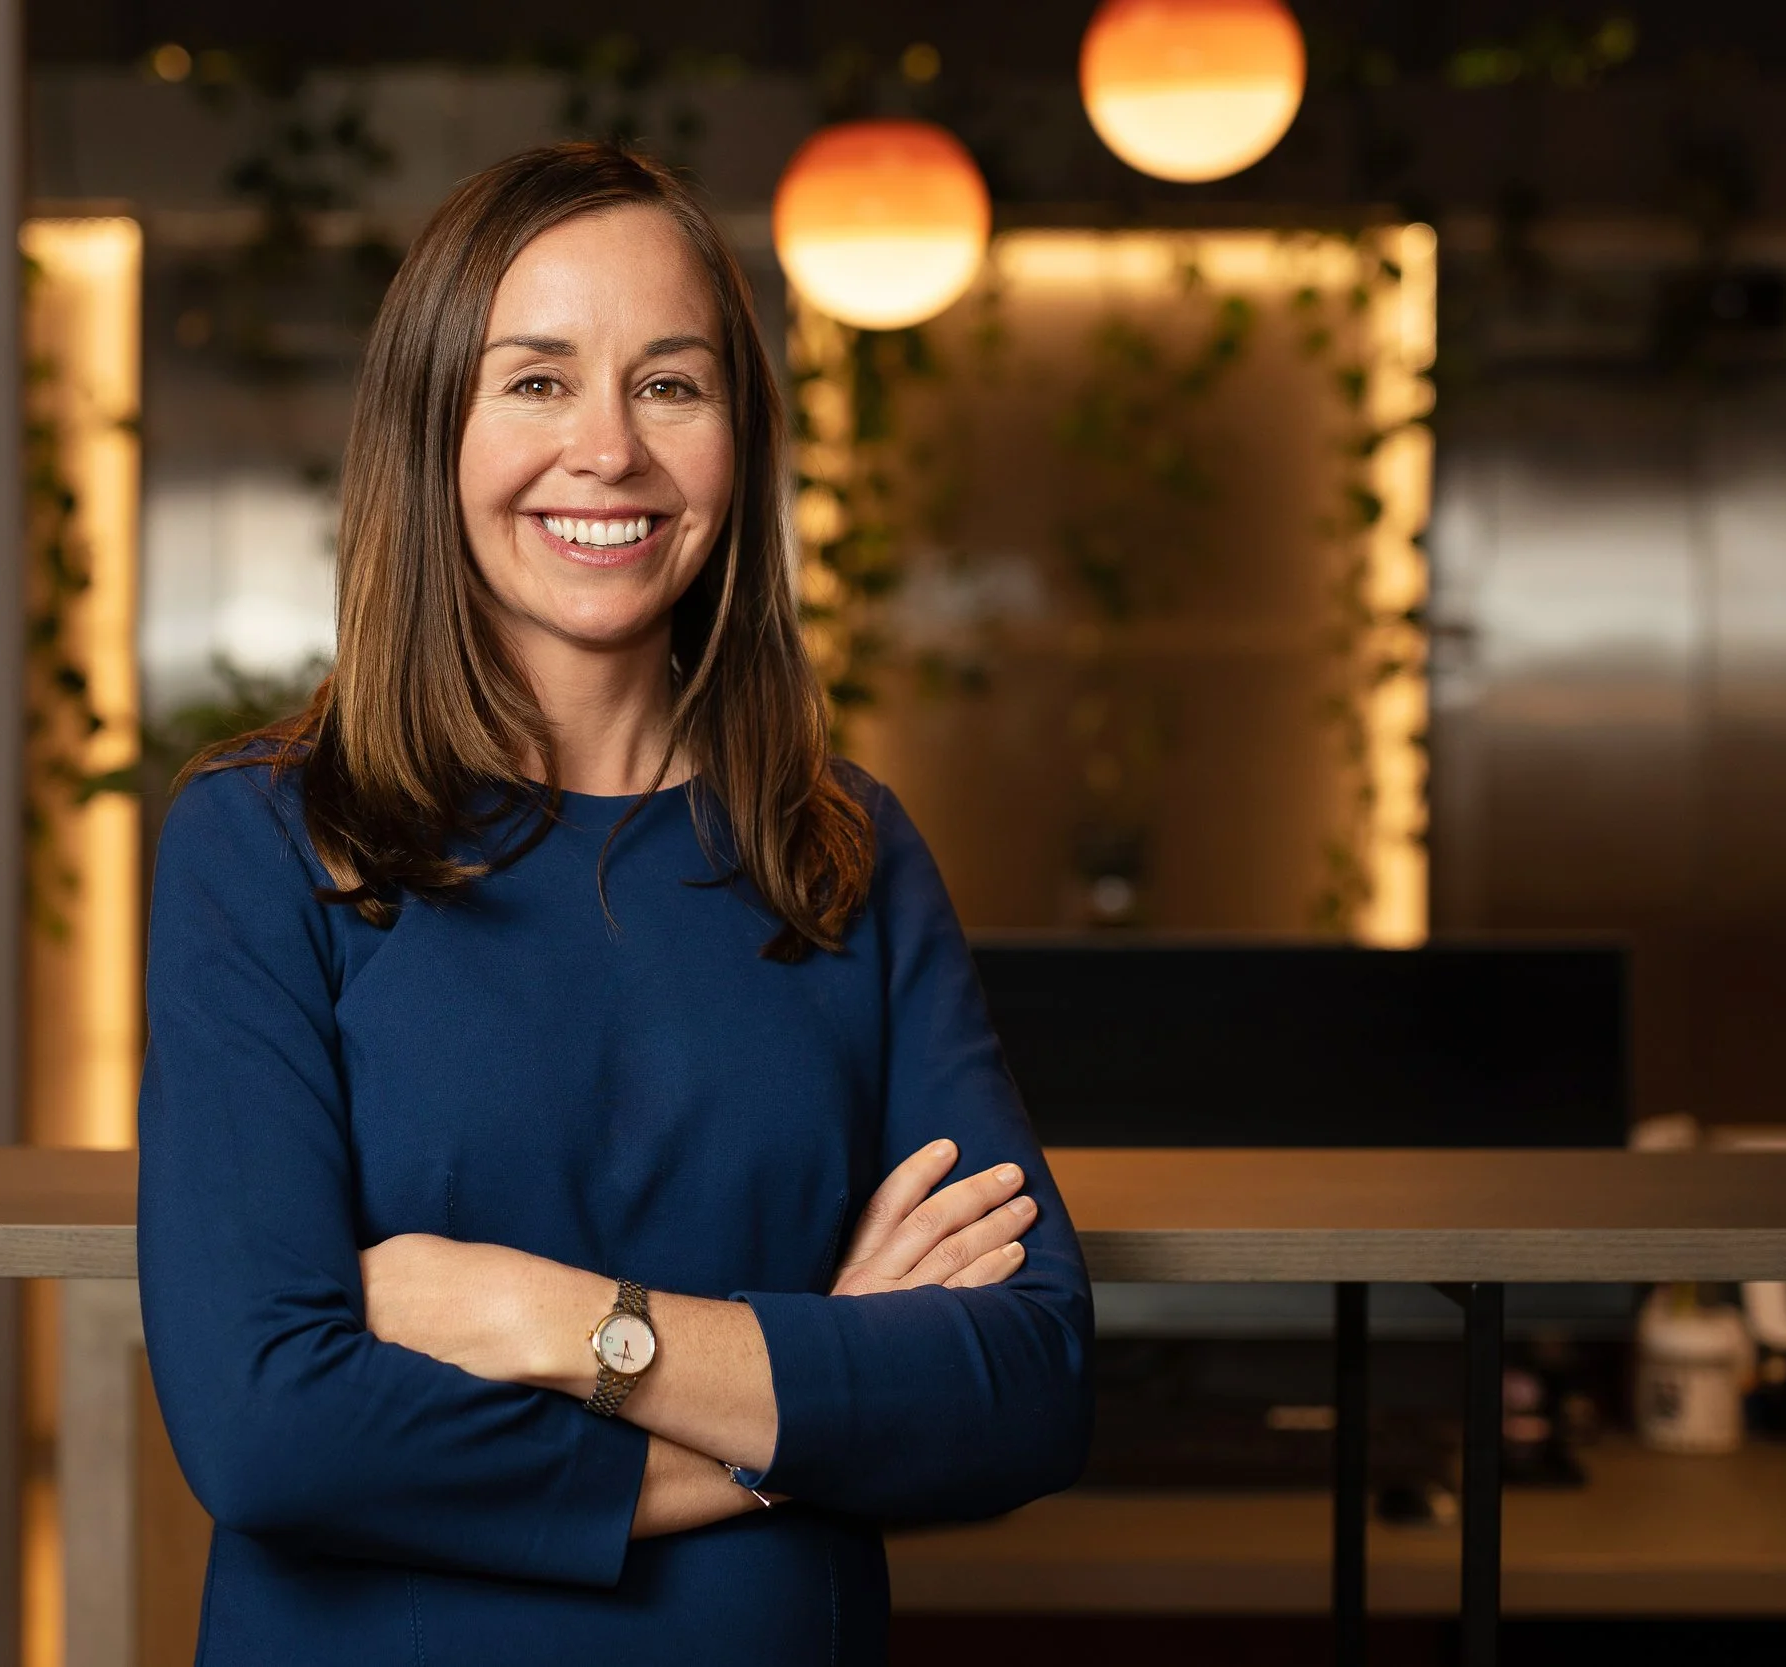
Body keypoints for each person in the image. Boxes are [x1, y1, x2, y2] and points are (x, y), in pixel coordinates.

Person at [137, 140, 1094, 1666]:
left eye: (670, 384)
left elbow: (1024, 1380)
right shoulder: (267, 839)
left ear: (740, 439)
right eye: (535, 381)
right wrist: (796, 1404)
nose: (610, 451)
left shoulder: (845, 851)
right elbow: (270, 1428)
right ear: (430, 430)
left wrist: (555, 1322)